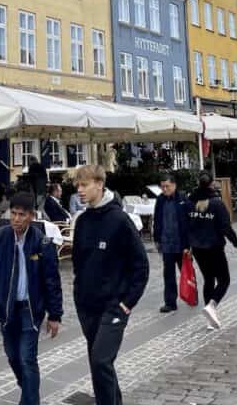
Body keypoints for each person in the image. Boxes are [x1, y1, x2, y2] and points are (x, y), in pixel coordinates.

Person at [72, 165, 149, 405]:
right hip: (88, 306)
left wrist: (127, 303)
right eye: (78, 186)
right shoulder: (82, 220)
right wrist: (79, 295)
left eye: (84, 185)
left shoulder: (119, 220)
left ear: (99, 184)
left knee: (101, 361)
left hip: (114, 306)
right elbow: (78, 262)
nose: (79, 191)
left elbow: (141, 266)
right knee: (99, 365)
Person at [0, 192, 63, 405]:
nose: (16, 219)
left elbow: (52, 281)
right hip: (8, 307)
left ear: (31, 216)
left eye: (21, 215)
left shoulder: (42, 243)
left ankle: (30, 401)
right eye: (13, 214)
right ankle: (28, 391)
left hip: (31, 308)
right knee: (12, 356)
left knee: (27, 359)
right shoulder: (1, 236)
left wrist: (55, 315)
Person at [187, 172, 237, 329]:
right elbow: (225, 227)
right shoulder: (217, 203)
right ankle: (212, 305)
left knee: (208, 279)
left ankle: (210, 318)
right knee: (224, 280)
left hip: (197, 247)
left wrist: (187, 244)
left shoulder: (190, 202)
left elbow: (185, 225)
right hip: (214, 246)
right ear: (211, 185)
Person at [152, 172, 189, 314]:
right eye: (162, 187)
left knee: (186, 272)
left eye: (167, 186)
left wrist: (188, 244)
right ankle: (170, 302)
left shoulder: (182, 199)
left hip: (181, 243)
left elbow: (188, 222)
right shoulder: (160, 200)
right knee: (168, 274)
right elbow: (157, 219)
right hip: (166, 243)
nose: (165, 189)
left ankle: (191, 295)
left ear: (174, 185)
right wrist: (157, 239)